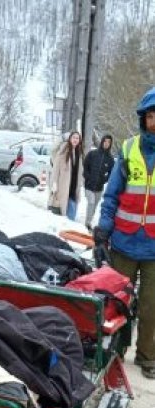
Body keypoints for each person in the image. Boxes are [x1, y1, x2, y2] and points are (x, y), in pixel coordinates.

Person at [95, 88, 155, 379]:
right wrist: (103, 229)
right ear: (143, 119)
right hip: (123, 241)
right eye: (151, 116)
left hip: (154, 248)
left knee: (151, 306)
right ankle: (115, 349)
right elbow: (112, 194)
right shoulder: (129, 149)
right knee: (118, 301)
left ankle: (147, 356)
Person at [49, 131, 84, 221]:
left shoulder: (79, 153)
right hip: (63, 188)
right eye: (73, 137)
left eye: (77, 138)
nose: (75, 140)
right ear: (70, 139)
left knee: (70, 216)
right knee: (64, 217)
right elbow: (56, 169)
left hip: (73, 188)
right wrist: (54, 184)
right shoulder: (63, 152)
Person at [83, 135, 114, 230]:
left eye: (109, 142)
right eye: (105, 141)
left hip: (99, 188)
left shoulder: (110, 158)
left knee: (94, 206)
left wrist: (104, 180)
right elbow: (85, 166)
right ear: (102, 142)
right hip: (89, 185)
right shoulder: (93, 154)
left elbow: (112, 173)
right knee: (91, 203)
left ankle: (89, 221)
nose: (106, 143)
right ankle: (87, 224)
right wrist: (87, 177)